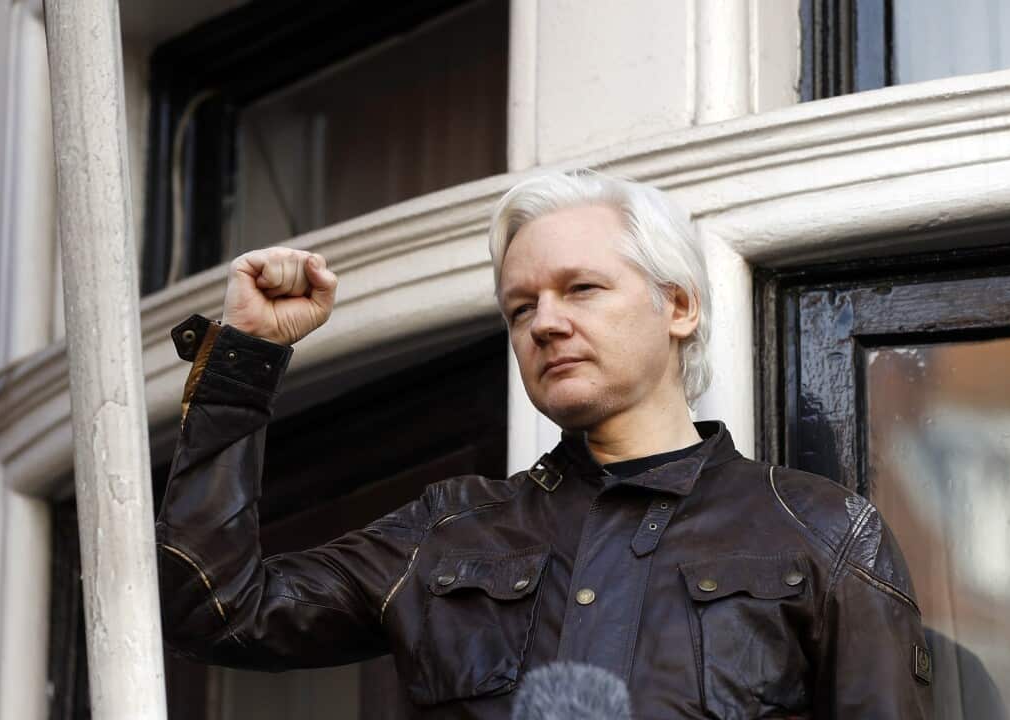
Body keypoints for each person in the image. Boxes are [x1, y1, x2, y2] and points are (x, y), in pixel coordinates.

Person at [156, 170, 933, 718]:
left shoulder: (826, 535)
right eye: (520, 306)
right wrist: (243, 358)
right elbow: (212, 610)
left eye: (582, 289)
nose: (545, 322)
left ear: (680, 306)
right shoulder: (447, 532)